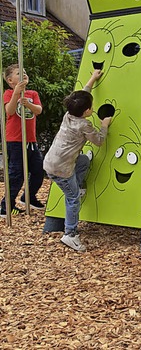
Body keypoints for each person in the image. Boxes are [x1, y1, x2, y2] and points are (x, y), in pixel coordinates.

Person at [44, 70, 112, 252]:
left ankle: (79, 185)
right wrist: (104, 126)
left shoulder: (69, 115)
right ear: (86, 111)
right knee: (72, 198)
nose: (93, 107)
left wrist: (93, 78)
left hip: (52, 161)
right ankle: (70, 234)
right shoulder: (84, 125)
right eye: (91, 106)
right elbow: (98, 141)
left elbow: (82, 94)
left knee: (83, 160)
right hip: (61, 170)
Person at [0, 65, 45, 218]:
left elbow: (38, 110)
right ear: (10, 80)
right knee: (16, 174)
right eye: (19, 73)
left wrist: (29, 104)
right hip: (15, 141)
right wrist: (17, 95)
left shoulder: (33, 93)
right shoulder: (8, 93)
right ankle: (6, 205)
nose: (24, 74)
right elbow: (10, 111)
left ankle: (28, 197)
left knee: (39, 170)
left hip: (31, 140)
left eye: (25, 72)